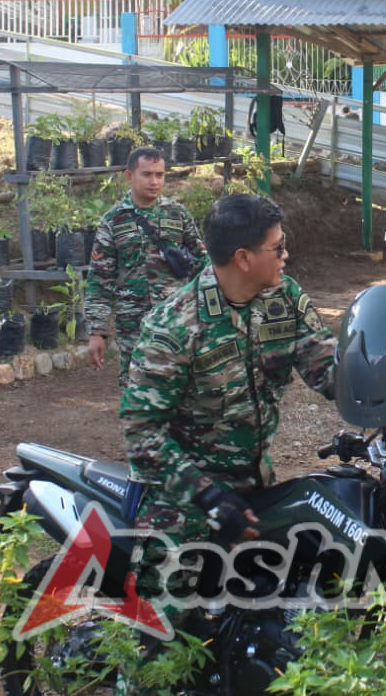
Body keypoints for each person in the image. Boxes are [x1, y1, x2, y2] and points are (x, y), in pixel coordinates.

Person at [120, 193, 336, 549]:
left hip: (253, 487)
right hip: (181, 500)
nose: (286, 256)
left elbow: (326, 368)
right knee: (175, 602)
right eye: (277, 248)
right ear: (243, 258)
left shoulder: (283, 299)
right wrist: (207, 497)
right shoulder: (175, 326)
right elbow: (141, 433)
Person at [84, 146, 207, 387]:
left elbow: (203, 264)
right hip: (133, 325)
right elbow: (100, 279)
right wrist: (97, 331)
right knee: (135, 389)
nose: (154, 181)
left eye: (159, 175)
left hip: (176, 321)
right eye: (147, 174)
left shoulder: (178, 215)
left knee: (181, 386)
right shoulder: (113, 221)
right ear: (129, 176)